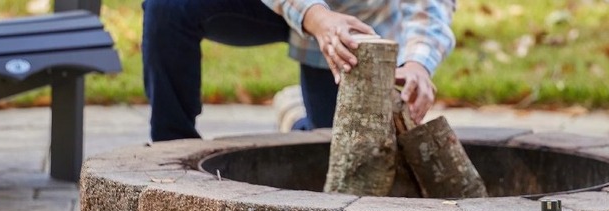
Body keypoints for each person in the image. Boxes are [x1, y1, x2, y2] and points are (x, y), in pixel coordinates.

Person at [141, 0, 456, 141]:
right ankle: (172, 146)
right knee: (168, 7)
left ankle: (298, 119)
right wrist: (316, 18)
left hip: (353, 19)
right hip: (267, 6)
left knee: (341, 148)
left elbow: (430, 5)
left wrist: (418, 63)